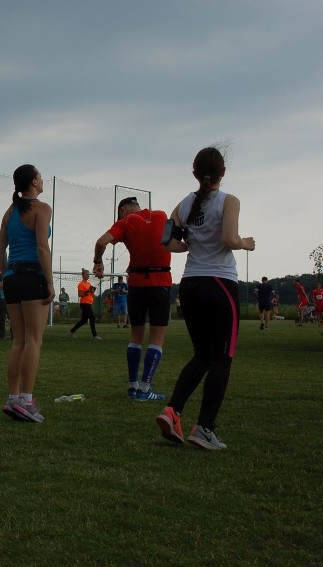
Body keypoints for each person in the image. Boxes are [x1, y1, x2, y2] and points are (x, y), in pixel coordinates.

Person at [156, 146, 255, 450]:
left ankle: (172, 411)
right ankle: (205, 428)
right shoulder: (229, 201)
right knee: (222, 357)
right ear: (222, 173)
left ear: (195, 173)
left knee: (202, 354)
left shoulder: (184, 203)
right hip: (220, 283)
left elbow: (167, 241)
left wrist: (189, 246)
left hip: (190, 284)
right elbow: (228, 239)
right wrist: (246, 243)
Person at [93, 196, 172, 401]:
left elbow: (101, 242)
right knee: (157, 338)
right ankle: (146, 389)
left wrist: (97, 262)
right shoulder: (161, 215)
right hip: (161, 281)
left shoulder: (125, 222)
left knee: (136, 336)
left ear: (122, 211)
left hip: (136, 283)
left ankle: (132, 386)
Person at [0, 164, 54, 423]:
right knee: (33, 340)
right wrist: (50, 282)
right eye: (40, 176)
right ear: (33, 182)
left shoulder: (10, 211)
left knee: (18, 340)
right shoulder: (42, 208)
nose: (43, 179)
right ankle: (27, 401)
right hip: (33, 277)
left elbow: (0, 248)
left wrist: (6, 275)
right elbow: (42, 248)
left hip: (12, 279)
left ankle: (13, 399)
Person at [70, 269, 100, 339]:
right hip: (84, 303)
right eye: (87, 274)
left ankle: (72, 331)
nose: (88, 275)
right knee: (92, 317)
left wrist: (92, 291)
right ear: (83, 275)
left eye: (88, 274)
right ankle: (94, 335)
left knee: (83, 321)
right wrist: (88, 291)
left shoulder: (88, 284)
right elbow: (80, 294)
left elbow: (90, 293)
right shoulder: (81, 284)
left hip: (88, 303)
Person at [0, 272, 9, 339]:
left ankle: (15, 335)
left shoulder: (11, 274)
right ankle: (2, 335)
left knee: (14, 317)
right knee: (2, 317)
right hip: (3, 299)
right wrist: (5, 278)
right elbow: (0, 286)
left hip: (12, 299)